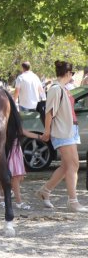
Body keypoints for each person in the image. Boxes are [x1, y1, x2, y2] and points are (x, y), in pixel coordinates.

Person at [38, 60, 87, 213]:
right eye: (72, 73)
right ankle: (72, 201)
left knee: (67, 166)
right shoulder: (56, 89)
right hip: (63, 131)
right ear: (68, 73)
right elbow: (49, 112)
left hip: (70, 130)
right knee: (73, 165)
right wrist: (47, 131)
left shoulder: (63, 89)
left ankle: (45, 191)